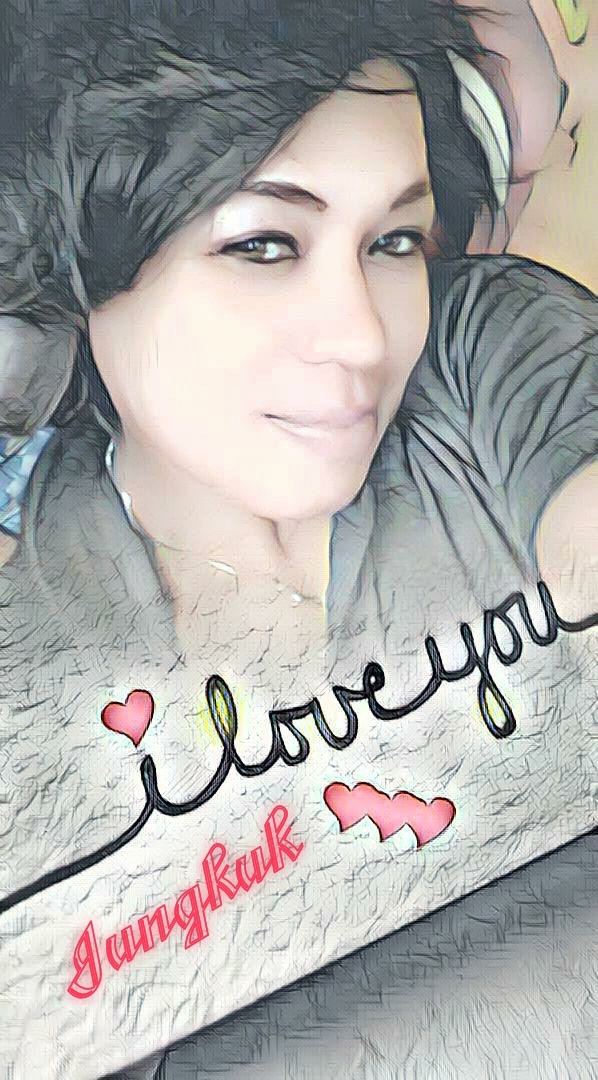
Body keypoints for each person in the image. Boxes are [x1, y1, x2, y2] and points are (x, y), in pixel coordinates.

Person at [0, 2, 595, 1077]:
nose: (362, 335)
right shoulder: (33, 644)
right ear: (81, 266)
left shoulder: (486, 354)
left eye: (394, 242)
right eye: (263, 245)